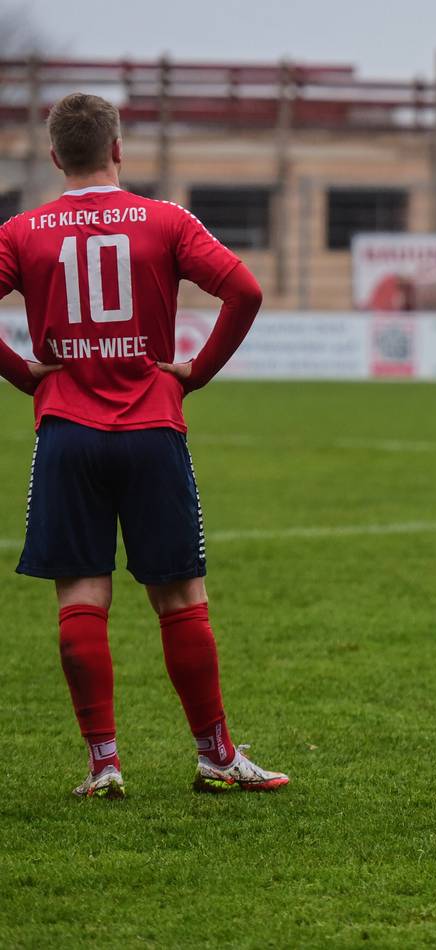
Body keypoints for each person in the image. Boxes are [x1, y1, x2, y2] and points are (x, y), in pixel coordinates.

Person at [0, 92, 288, 799]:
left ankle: (103, 765)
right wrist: (195, 373)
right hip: (153, 429)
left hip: (67, 431)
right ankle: (216, 757)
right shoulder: (165, 221)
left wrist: (22, 375)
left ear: (54, 155)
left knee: (81, 595)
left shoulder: (22, 231)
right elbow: (245, 291)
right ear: (118, 148)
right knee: (181, 598)